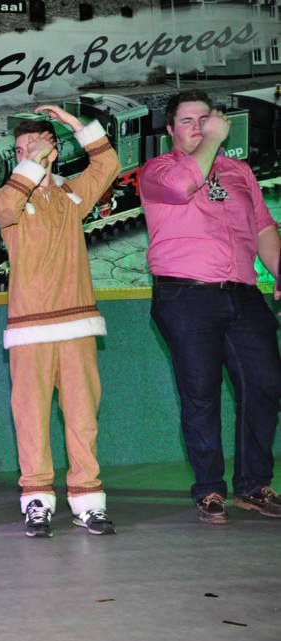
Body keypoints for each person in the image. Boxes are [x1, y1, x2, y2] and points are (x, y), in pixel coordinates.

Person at [140, 89, 281, 524]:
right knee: (201, 392)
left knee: (265, 384)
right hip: (185, 294)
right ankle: (209, 489)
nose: (199, 127)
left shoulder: (239, 171)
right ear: (170, 130)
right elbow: (184, 185)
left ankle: (253, 485)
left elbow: (263, 227)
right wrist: (213, 140)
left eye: (206, 119)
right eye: (188, 121)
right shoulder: (157, 171)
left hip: (243, 291)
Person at [0, 105, 120, 537]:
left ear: (54, 150)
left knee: (83, 417)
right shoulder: (10, 198)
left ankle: (88, 501)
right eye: (19, 150)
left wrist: (72, 124)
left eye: (34, 145)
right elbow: (2, 208)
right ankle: (37, 501)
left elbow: (108, 164)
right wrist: (32, 161)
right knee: (30, 419)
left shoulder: (72, 195)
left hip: (77, 324)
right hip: (29, 329)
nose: (25, 153)